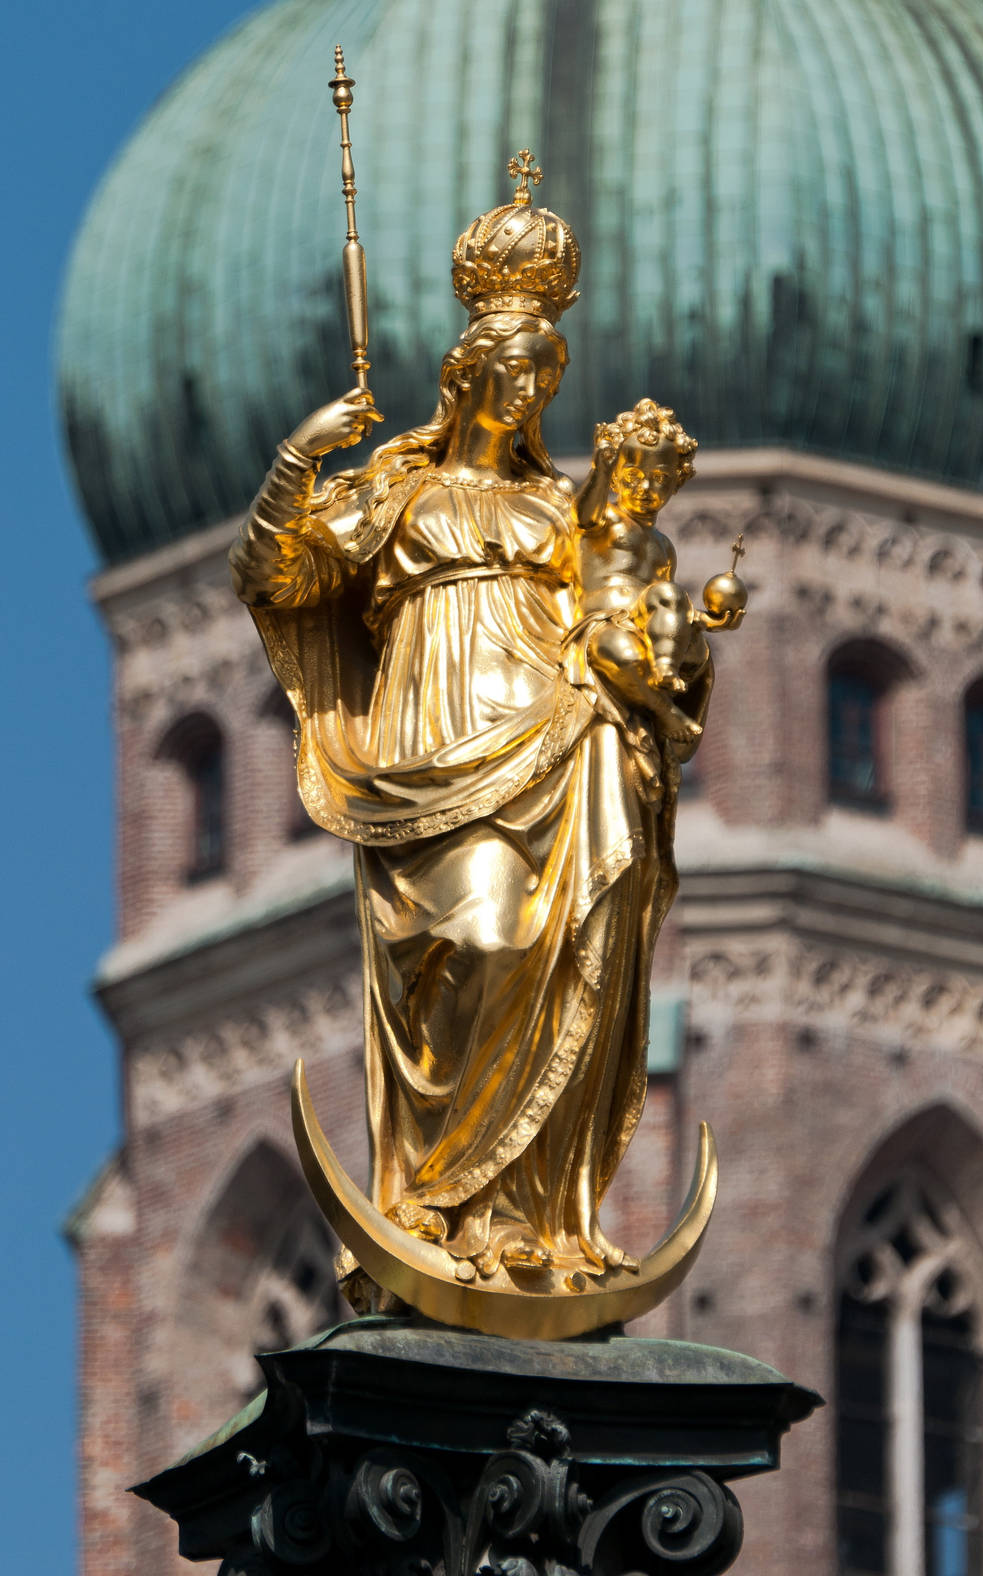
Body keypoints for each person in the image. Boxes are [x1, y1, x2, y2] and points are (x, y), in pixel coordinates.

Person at [229, 163, 713, 1293]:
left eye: (541, 376)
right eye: (505, 370)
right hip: (430, 746)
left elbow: (619, 622)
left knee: (558, 954)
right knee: (475, 944)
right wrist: (301, 461)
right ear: (464, 374)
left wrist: (665, 669)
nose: (523, 392)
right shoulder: (398, 494)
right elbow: (278, 575)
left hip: (551, 741)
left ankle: (525, 1227)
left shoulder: (561, 510)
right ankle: (435, 1203)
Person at [572, 398, 707, 746]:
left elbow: (675, 609)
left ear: (676, 482)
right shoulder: (607, 519)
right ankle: (664, 710)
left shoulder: (664, 546)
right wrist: (598, 472)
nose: (646, 489)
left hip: (648, 626)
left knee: (673, 597)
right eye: (633, 477)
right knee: (619, 653)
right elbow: (583, 516)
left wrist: (717, 621)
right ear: (616, 478)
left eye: (659, 479)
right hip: (604, 621)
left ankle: (665, 667)